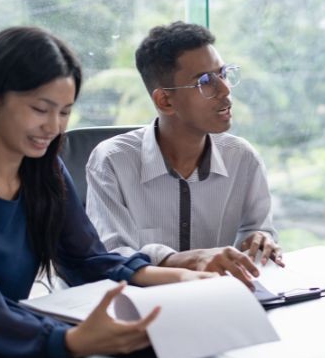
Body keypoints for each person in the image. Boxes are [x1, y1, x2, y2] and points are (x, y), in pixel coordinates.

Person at [0, 26, 211, 358]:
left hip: (7, 352)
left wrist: (180, 277)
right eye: (40, 109)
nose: (53, 126)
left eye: (65, 112)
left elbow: (85, 258)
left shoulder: (45, 172)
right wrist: (71, 341)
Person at [85, 22, 281, 288]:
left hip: (222, 303)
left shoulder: (242, 158)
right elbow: (112, 257)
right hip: (141, 307)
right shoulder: (112, 161)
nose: (225, 90)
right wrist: (188, 259)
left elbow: (257, 232)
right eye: (205, 82)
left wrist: (260, 240)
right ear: (165, 101)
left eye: (223, 74)